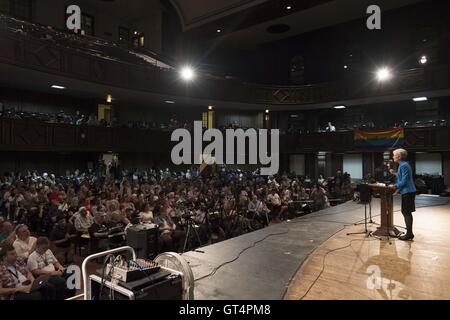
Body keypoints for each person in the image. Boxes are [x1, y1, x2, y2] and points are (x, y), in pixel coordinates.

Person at [390, 148, 417, 241]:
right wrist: (395, 173)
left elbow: (404, 181)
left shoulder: (403, 165)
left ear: (399, 156)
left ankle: (409, 234)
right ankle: (409, 233)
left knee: (406, 212)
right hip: (408, 191)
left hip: (408, 191)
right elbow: (402, 177)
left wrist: (395, 186)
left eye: (394, 155)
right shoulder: (403, 165)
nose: (393, 157)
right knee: (406, 212)